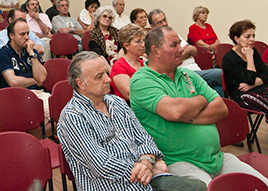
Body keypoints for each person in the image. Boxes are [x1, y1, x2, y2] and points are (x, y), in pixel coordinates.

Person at [130, 26, 268, 186]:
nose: (181, 49)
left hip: (217, 158)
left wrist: (187, 117)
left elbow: (221, 108)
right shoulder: (142, 80)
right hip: (180, 162)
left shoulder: (187, 74)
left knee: (262, 185)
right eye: (174, 45)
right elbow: (175, 112)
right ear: (156, 51)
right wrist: (202, 99)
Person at [58, 52, 207, 191]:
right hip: (113, 185)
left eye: (106, 73)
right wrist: (145, 168)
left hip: (145, 178)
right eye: (99, 76)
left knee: (198, 187)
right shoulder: (72, 117)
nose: (108, 79)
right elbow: (101, 165)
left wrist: (147, 162)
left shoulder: (116, 102)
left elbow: (144, 138)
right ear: (81, 84)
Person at [148, 9, 223, 97]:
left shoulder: (173, 34)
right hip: (183, 74)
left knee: (217, 87)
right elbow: (167, 61)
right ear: (152, 26)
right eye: (160, 22)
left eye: (165, 20)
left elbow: (193, 50)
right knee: (219, 74)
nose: (164, 24)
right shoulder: (154, 41)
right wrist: (185, 51)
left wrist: (177, 55)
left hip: (197, 70)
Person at [0, 18, 50, 120]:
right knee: (56, 112)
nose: (27, 37)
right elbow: (13, 82)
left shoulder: (31, 51)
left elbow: (41, 78)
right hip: (16, 96)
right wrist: (34, 81)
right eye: (22, 34)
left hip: (37, 93)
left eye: (28, 33)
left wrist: (32, 54)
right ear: (11, 36)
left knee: (59, 111)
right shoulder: (4, 53)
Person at [222, 20, 268, 115]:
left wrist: (253, 84)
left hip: (257, 89)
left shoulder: (252, 50)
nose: (252, 39)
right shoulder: (229, 58)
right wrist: (249, 57)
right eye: (247, 36)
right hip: (241, 96)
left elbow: (265, 73)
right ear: (237, 39)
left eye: (253, 36)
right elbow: (249, 79)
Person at [110, 24, 146, 102]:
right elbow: (130, 95)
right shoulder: (119, 66)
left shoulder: (144, 64)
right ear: (126, 45)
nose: (143, 45)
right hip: (131, 109)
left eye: (143, 40)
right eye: (138, 41)